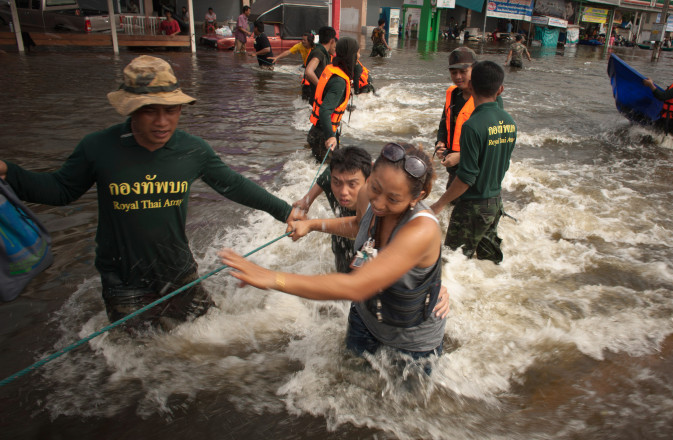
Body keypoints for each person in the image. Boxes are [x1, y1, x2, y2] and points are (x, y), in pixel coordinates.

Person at [0, 56, 304, 328]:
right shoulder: (98, 147)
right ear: (131, 110)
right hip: (123, 281)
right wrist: (8, 173)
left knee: (206, 339)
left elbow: (234, 185)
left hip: (178, 270)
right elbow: (60, 191)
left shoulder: (192, 150)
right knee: (137, 365)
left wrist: (285, 211)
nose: (162, 122)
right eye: (150, 111)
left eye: (171, 110)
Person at [220, 143, 448, 367]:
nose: (378, 203)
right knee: (349, 377)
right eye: (375, 188)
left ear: (418, 197)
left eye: (393, 199)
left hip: (411, 342)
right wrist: (311, 225)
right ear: (371, 173)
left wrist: (273, 278)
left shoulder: (422, 229)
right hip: (365, 318)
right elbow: (360, 225)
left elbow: (356, 286)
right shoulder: (365, 195)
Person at [430, 61, 516, 264]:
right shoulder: (509, 122)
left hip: (471, 207)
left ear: (471, 86)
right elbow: (502, 164)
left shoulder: (473, 126)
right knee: (487, 263)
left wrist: (439, 204)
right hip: (495, 204)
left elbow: (466, 178)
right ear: (500, 89)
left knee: (451, 263)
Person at [293, 147, 373, 273]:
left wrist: (311, 224)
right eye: (336, 183)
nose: (343, 192)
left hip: (367, 244)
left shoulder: (377, 200)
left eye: (352, 184)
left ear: (368, 181)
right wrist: (306, 201)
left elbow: (359, 226)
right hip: (341, 238)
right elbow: (325, 176)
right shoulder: (331, 178)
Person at [435, 48, 504, 189]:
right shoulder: (453, 95)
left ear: (475, 70)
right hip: (454, 166)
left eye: (463, 71)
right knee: (451, 204)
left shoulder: (489, 97)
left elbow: (493, 140)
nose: (458, 77)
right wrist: (440, 143)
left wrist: (461, 156)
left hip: (476, 170)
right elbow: (444, 123)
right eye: (454, 73)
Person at [307, 37, 358, 162]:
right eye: (357, 52)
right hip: (323, 137)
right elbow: (324, 110)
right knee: (332, 176)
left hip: (318, 131)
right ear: (350, 55)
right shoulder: (339, 81)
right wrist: (330, 137)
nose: (359, 56)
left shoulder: (334, 69)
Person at [303, 26, 338, 104]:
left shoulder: (322, 53)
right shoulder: (319, 52)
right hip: (317, 98)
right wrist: (322, 87)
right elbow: (308, 71)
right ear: (332, 41)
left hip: (317, 97)